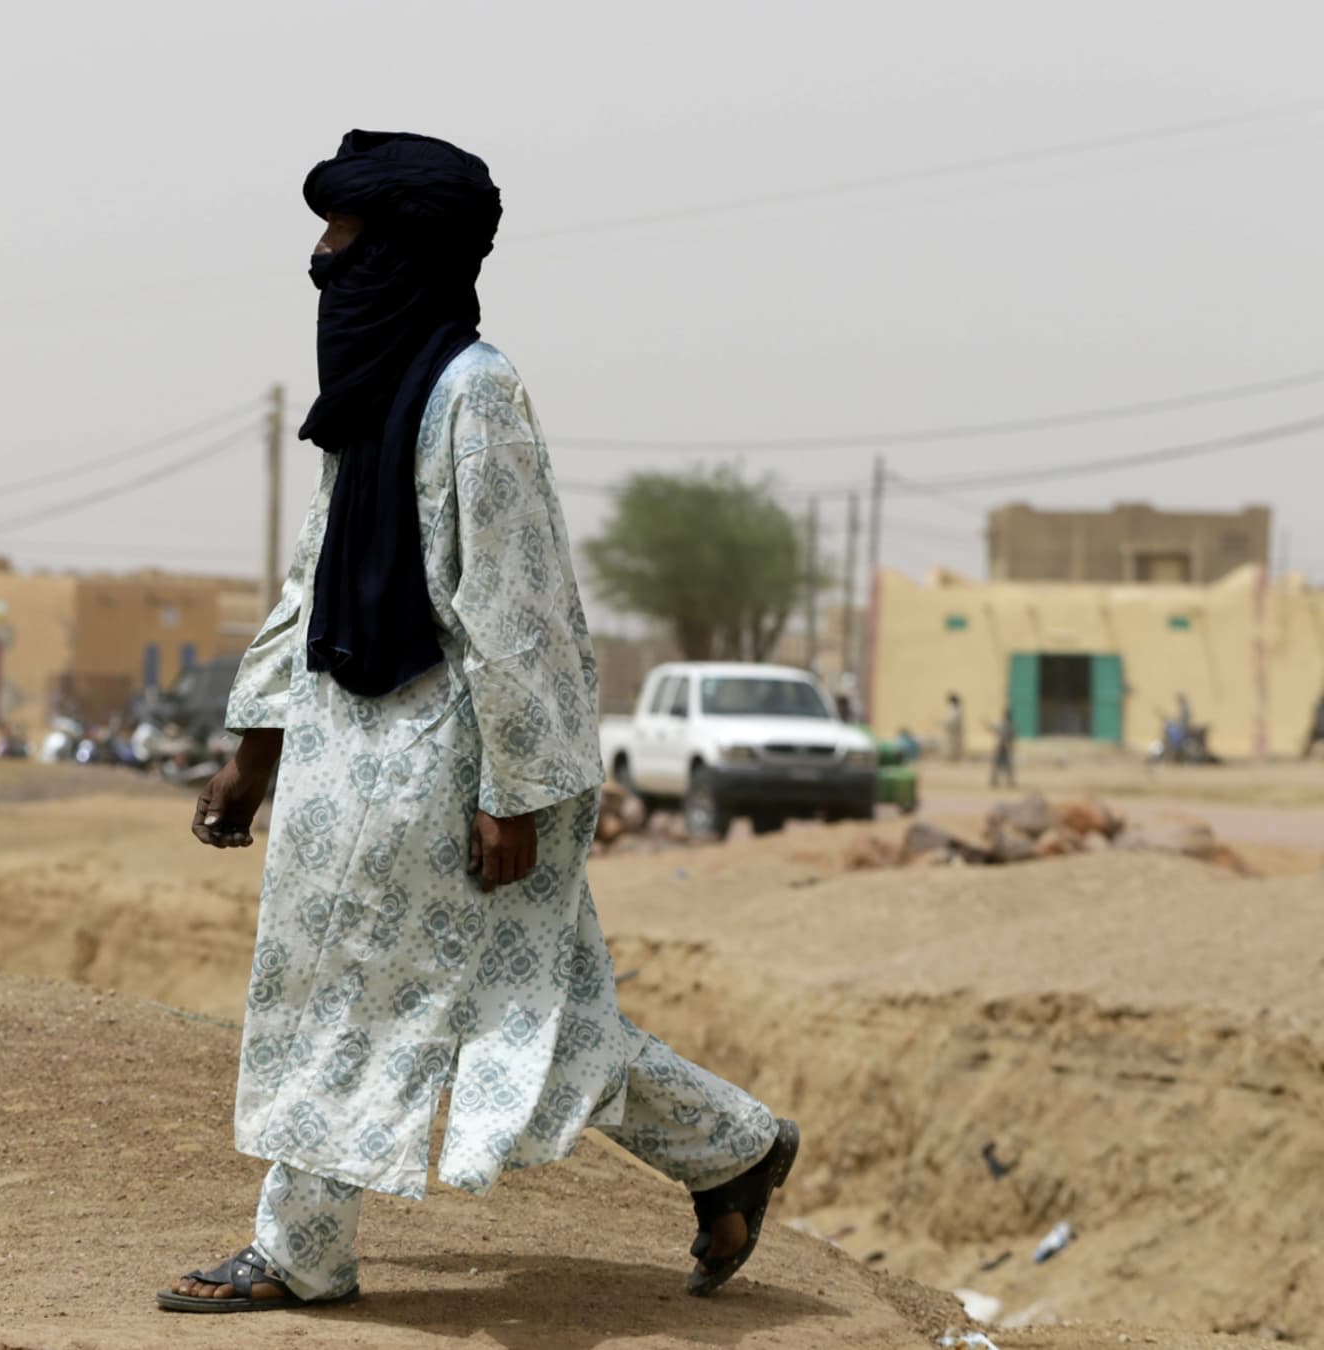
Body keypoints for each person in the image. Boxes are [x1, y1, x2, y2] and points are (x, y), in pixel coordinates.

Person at [160, 132, 795, 1315]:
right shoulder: (367, 393)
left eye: (343, 234)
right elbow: (312, 582)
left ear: (401, 248)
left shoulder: (475, 393)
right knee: (515, 1014)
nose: (322, 257)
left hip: (438, 764)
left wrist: (514, 793)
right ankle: (731, 1145)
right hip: (345, 749)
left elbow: (518, 608)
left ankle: (301, 1250)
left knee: (355, 991)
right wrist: (254, 752)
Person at [989, 708, 1017, 788]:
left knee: (1004, 765)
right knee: (1003, 765)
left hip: (1003, 746)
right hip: (1002, 746)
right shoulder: (1008, 725)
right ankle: (998, 780)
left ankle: (1000, 781)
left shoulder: (1005, 725)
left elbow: (1011, 736)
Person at [941, 691, 965, 763]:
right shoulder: (953, 708)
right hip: (951, 732)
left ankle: (954, 759)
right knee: (951, 746)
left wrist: (944, 722)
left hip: (954, 732)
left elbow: (952, 720)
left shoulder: (956, 709)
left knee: (954, 746)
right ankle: (952, 759)